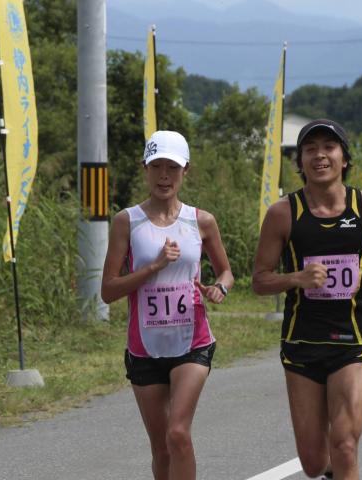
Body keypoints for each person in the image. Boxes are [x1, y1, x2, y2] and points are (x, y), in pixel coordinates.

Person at [252, 119, 362, 480]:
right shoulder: (282, 213)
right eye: (310, 149)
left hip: (351, 341)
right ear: (301, 162)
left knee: (346, 444)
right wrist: (296, 279)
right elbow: (259, 281)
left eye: (329, 147)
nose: (320, 155)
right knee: (313, 463)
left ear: (344, 158)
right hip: (301, 342)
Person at [101, 130, 234, 480]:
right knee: (161, 448)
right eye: (156, 166)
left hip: (192, 343)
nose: (164, 175)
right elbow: (108, 290)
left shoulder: (200, 221)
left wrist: (219, 288)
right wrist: (153, 268)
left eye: (172, 167)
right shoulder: (126, 222)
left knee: (178, 433)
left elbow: (226, 271)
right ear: (145, 169)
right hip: (144, 348)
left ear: (185, 170)